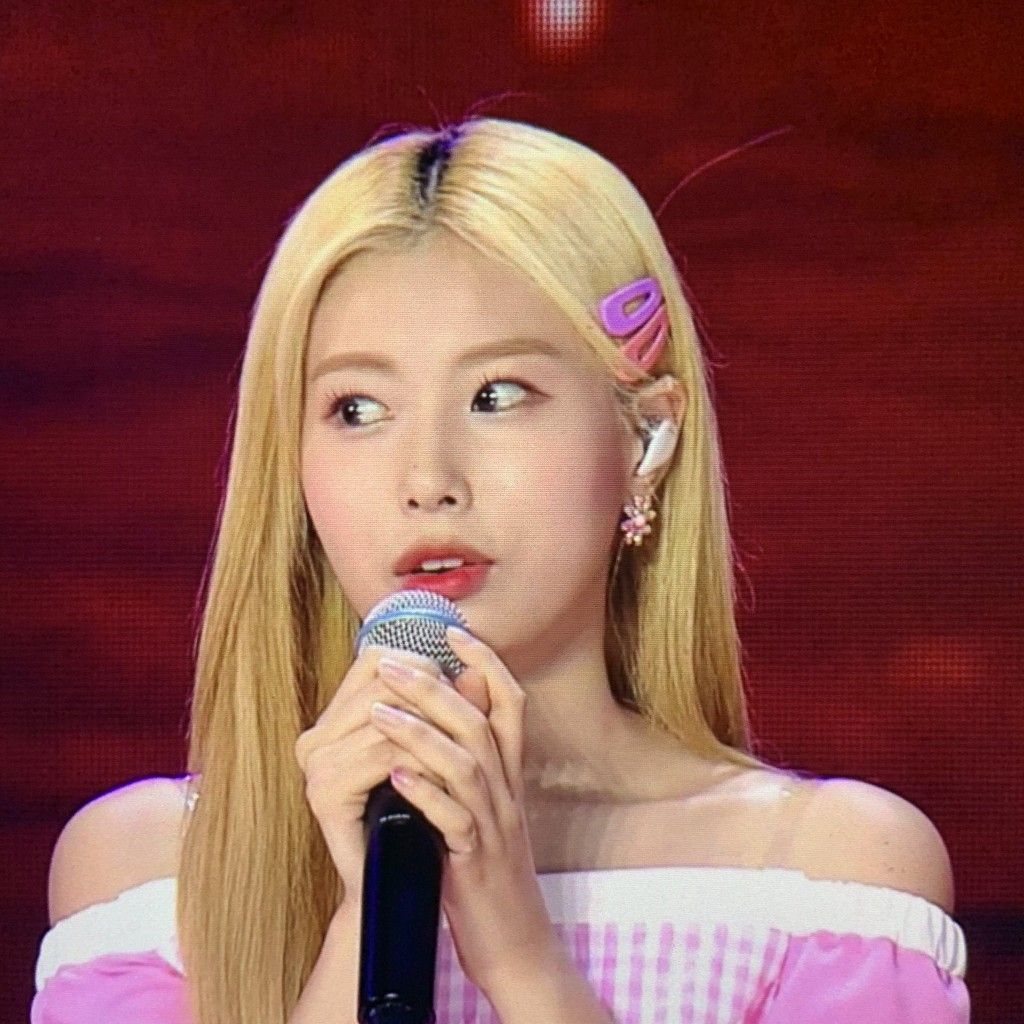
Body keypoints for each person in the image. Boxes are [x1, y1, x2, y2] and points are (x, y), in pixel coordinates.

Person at [32, 117, 970, 1024]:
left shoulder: (826, 877)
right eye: (357, 409)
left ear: (646, 438)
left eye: (496, 394)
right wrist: (367, 919)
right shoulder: (148, 875)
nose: (427, 479)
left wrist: (519, 952)